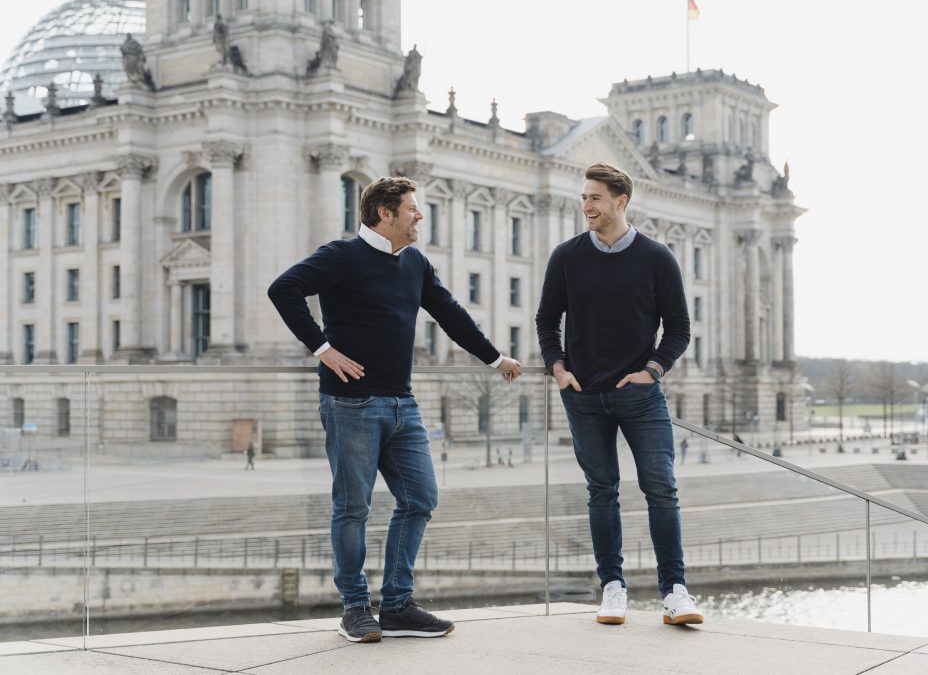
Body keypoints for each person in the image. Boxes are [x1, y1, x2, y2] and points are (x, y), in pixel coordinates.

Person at [269, 176, 521, 644]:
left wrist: (495, 359)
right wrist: (322, 349)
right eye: (412, 209)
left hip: (403, 403)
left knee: (420, 498)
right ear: (385, 213)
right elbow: (283, 289)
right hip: (351, 404)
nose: (419, 216)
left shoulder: (414, 262)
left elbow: (449, 313)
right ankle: (354, 609)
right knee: (352, 508)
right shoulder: (341, 256)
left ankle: (399, 605)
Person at [536, 162, 703, 628]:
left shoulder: (656, 257)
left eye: (594, 198)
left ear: (620, 202)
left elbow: (680, 329)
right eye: (583, 197)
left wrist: (652, 370)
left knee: (661, 490)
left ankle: (675, 592)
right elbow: (546, 321)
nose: (585, 205)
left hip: (640, 395)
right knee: (601, 492)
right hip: (583, 396)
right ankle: (612, 588)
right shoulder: (565, 257)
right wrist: (558, 368)